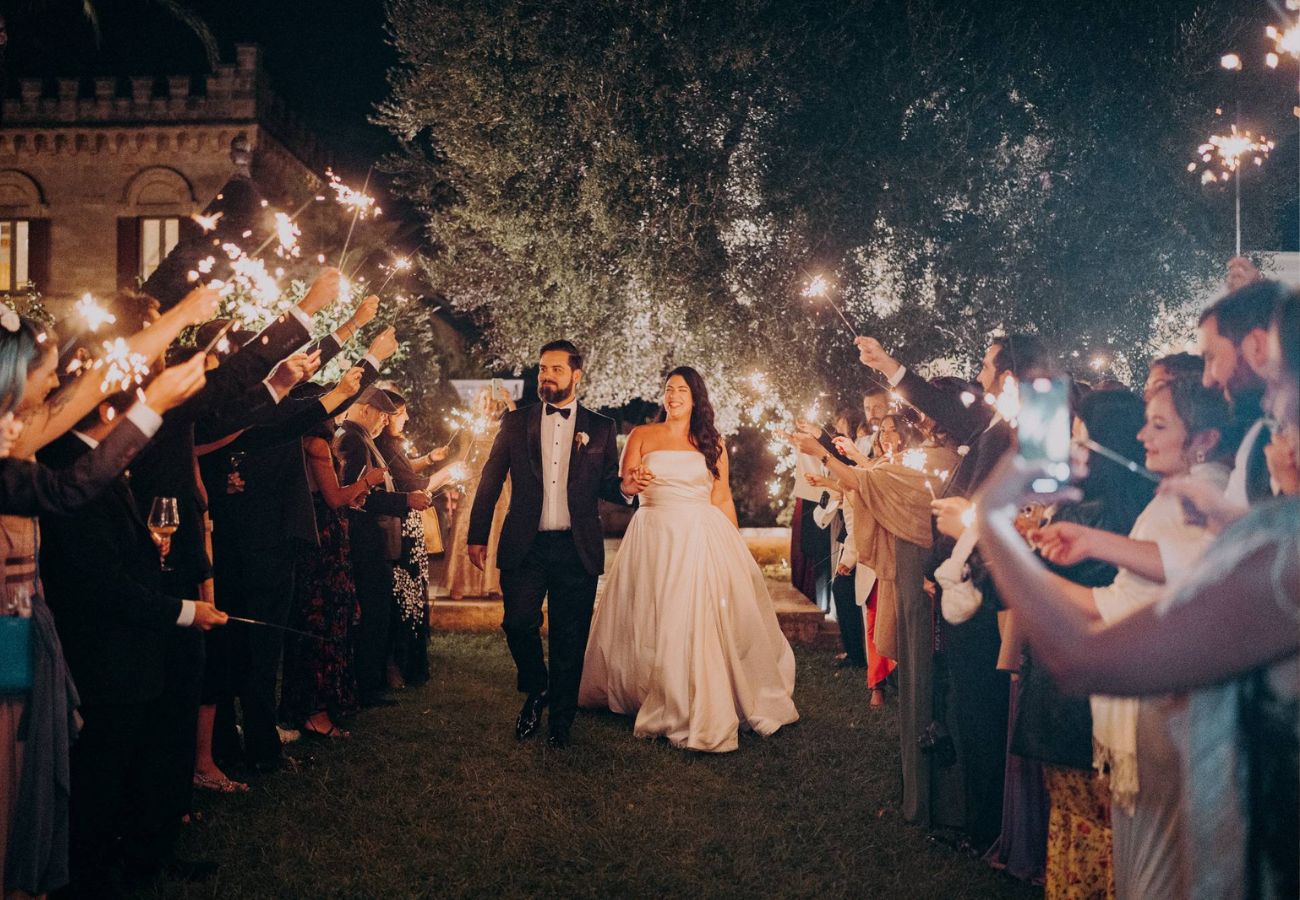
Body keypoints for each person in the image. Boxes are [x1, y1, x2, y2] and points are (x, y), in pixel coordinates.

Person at [856, 332, 1052, 851]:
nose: (979, 374)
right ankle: (978, 817)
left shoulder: (1016, 431)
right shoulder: (992, 423)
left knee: (980, 706)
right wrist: (889, 365)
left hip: (983, 587)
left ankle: (985, 826)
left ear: (1008, 376)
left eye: (987, 366)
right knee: (967, 703)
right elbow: (939, 402)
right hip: (963, 577)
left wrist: (959, 548)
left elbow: (1007, 510)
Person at [580, 367, 798, 752]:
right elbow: (625, 482)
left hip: (700, 534)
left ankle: (696, 694)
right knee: (652, 612)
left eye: (682, 390)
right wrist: (635, 481)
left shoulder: (711, 442)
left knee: (692, 613)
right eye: (668, 389)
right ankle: (652, 688)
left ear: (696, 397)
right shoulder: (642, 435)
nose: (674, 395)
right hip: (653, 534)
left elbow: (722, 496)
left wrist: (734, 548)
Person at [467, 340, 643, 749]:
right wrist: (477, 535)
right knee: (517, 622)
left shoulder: (601, 427)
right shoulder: (515, 423)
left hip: (575, 547)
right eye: (542, 369)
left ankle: (561, 724)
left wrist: (627, 489)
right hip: (525, 546)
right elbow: (491, 479)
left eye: (555, 370)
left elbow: (605, 486)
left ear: (576, 375)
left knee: (570, 638)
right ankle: (537, 687)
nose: (545, 376)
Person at [279, 369, 374, 740]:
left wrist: (353, 492)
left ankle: (306, 707)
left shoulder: (300, 441)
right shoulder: (316, 446)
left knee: (316, 624)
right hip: (323, 544)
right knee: (323, 624)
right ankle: (315, 712)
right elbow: (332, 498)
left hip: (320, 536)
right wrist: (366, 482)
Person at [333, 386, 433, 708]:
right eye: (381, 415)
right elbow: (360, 498)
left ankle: (371, 681)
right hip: (366, 540)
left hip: (376, 540)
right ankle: (367, 685)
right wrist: (406, 499)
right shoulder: (351, 438)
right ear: (365, 409)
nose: (382, 423)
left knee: (380, 613)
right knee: (374, 614)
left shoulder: (362, 438)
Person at [444, 385, 514, 599]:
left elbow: (521, 428)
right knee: (467, 527)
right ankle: (461, 585)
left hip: (500, 484)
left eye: (490, 400)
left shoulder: (506, 426)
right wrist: (451, 477)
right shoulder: (470, 427)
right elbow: (463, 455)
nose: (486, 405)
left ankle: (492, 585)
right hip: (474, 482)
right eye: (483, 400)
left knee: (496, 530)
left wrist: (510, 402)